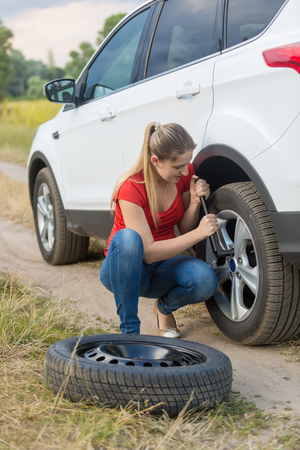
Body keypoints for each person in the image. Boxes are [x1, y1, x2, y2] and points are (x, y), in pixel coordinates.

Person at [100, 122, 218, 337]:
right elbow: (149, 251)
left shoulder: (183, 174)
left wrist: (193, 202)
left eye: (187, 164)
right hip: (126, 270)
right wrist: (200, 233)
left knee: (205, 280)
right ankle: (130, 332)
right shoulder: (130, 187)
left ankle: (163, 309)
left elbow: (183, 228)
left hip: (162, 268)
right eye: (177, 167)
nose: (184, 172)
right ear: (155, 161)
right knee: (128, 238)